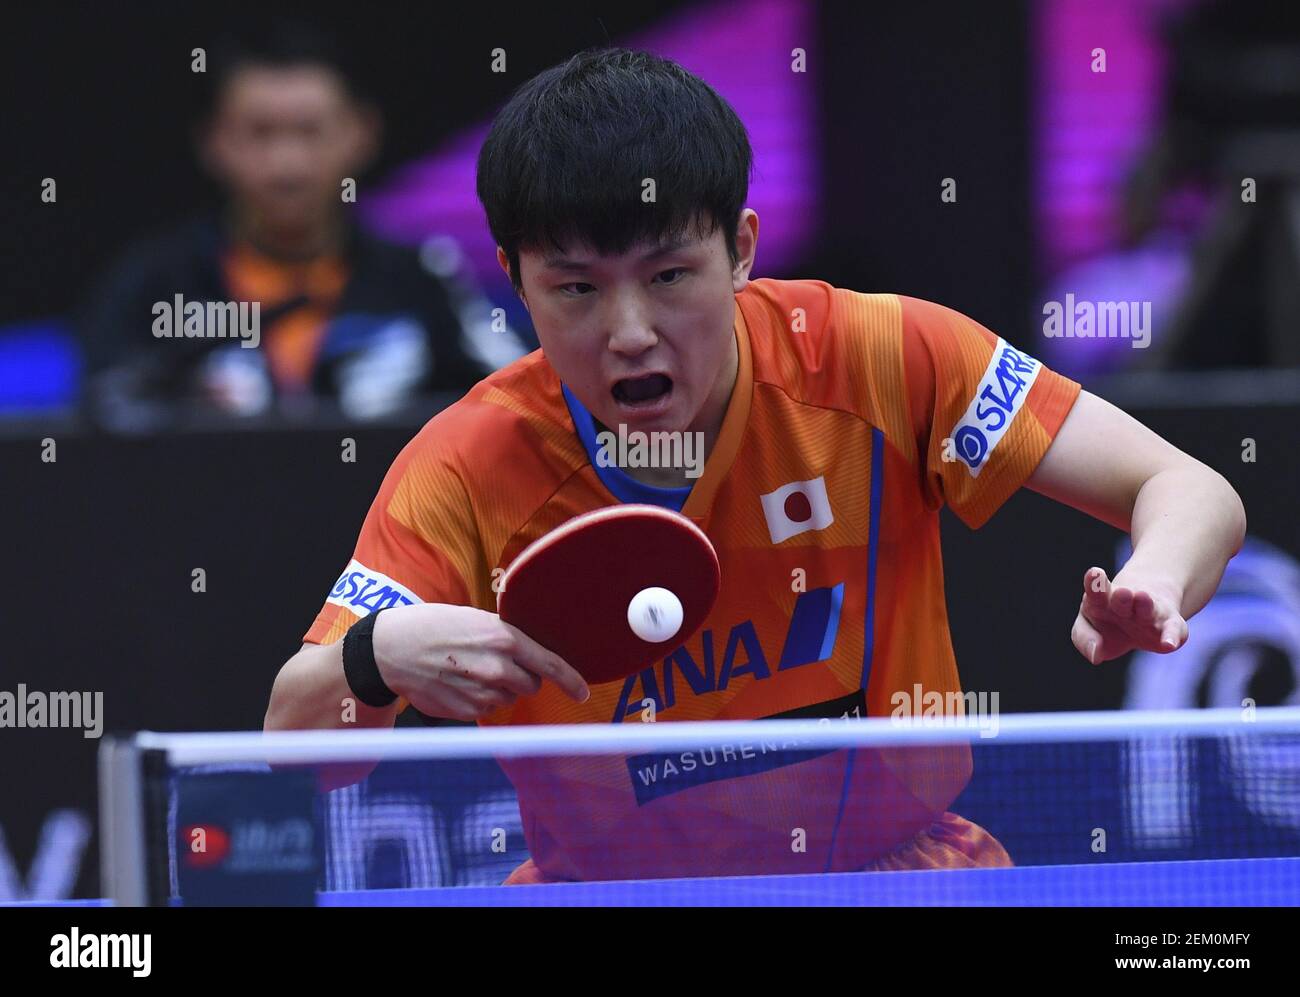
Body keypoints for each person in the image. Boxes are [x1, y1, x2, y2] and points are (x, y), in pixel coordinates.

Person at [265, 48, 1247, 882]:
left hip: (895, 883)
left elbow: (1188, 488)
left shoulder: (878, 357)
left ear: (739, 250)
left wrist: (1152, 580)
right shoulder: (468, 466)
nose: (630, 333)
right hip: (611, 903)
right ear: (516, 279)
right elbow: (293, 758)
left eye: (668, 275)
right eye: (574, 288)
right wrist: (373, 658)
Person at [78, 22, 510, 430]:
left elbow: (513, 405)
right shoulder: (151, 285)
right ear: (214, 141)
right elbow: (102, 424)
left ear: (362, 133)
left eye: (310, 131)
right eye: (260, 133)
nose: (287, 165)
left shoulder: (424, 276)